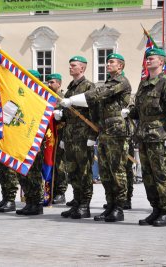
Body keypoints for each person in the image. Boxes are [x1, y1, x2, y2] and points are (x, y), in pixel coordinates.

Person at [61, 53, 132, 222]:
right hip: (105, 131)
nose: (108, 64)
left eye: (111, 62)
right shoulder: (107, 82)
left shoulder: (121, 81)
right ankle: (110, 205)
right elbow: (97, 110)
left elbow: (99, 94)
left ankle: (119, 208)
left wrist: (72, 100)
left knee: (117, 171)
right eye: (107, 62)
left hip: (116, 132)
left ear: (120, 66)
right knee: (106, 173)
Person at [123, 48, 166, 227]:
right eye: (147, 58)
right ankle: (155, 209)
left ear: (161, 62)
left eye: (152, 59)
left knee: (162, 175)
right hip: (144, 136)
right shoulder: (143, 84)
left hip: (159, 136)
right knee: (148, 176)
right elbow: (140, 109)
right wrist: (130, 112)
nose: (148, 61)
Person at [56, 56, 96, 219]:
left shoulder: (89, 86)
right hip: (70, 136)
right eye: (70, 65)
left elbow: (94, 112)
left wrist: (93, 136)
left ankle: (85, 205)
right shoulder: (71, 88)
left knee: (84, 171)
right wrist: (61, 115)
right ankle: (77, 202)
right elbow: (69, 112)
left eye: (74, 66)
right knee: (72, 171)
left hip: (83, 136)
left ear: (82, 68)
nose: (70, 68)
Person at [15, 70, 46, 216]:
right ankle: (29, 201)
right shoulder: (22, 96)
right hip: (21, 140)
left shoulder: (40, 97)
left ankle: (37, 203)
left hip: (35, 141)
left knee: (34, 174)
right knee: (22, 173)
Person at [46, 73, 68, 205]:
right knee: (51, 163)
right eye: (48, 82)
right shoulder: (47, 98)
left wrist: (64, 139)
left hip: (60, 135)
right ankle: (51, 191)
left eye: (52, 82)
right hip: (49, 137)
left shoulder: (62, 99)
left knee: (60, 165)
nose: (49, 84)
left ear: (59, 84)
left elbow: (67, 120)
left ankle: (61, 192)